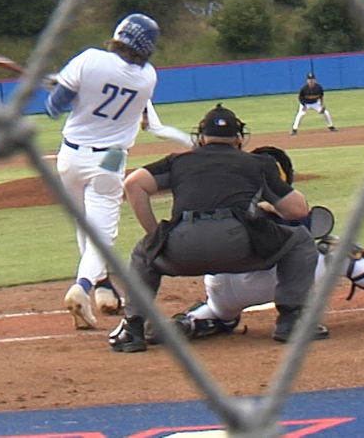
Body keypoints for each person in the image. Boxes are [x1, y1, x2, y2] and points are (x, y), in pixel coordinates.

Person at [162, 146, 364, 341]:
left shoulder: (222, 194)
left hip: (221, 285)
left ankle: (195, 320)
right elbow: (312, 230)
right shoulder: (288, 204)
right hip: (273, 280)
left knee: (221, 305)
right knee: (341, 249)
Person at [108, 104, 326, 353]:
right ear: (239, 138)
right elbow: (297, 211)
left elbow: (133, 184)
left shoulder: (178, 161)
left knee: (143, 254)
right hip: (240, 247)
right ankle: (291, 320)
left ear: (201, 138)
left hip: (182, 249)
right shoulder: (257, 162)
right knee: (299, 240)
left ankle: (133, 329)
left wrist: (155, 235)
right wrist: (267, 203)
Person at [44, 13, 162, 330]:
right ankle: (83, 286)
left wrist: (62, 85)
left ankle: (103, 287)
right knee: (101, 233)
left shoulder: (89, 59)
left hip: (69, 156)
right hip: (109, 159)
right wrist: (73, 84)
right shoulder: (148, 77)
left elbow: (54, 108)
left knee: (86, 226)